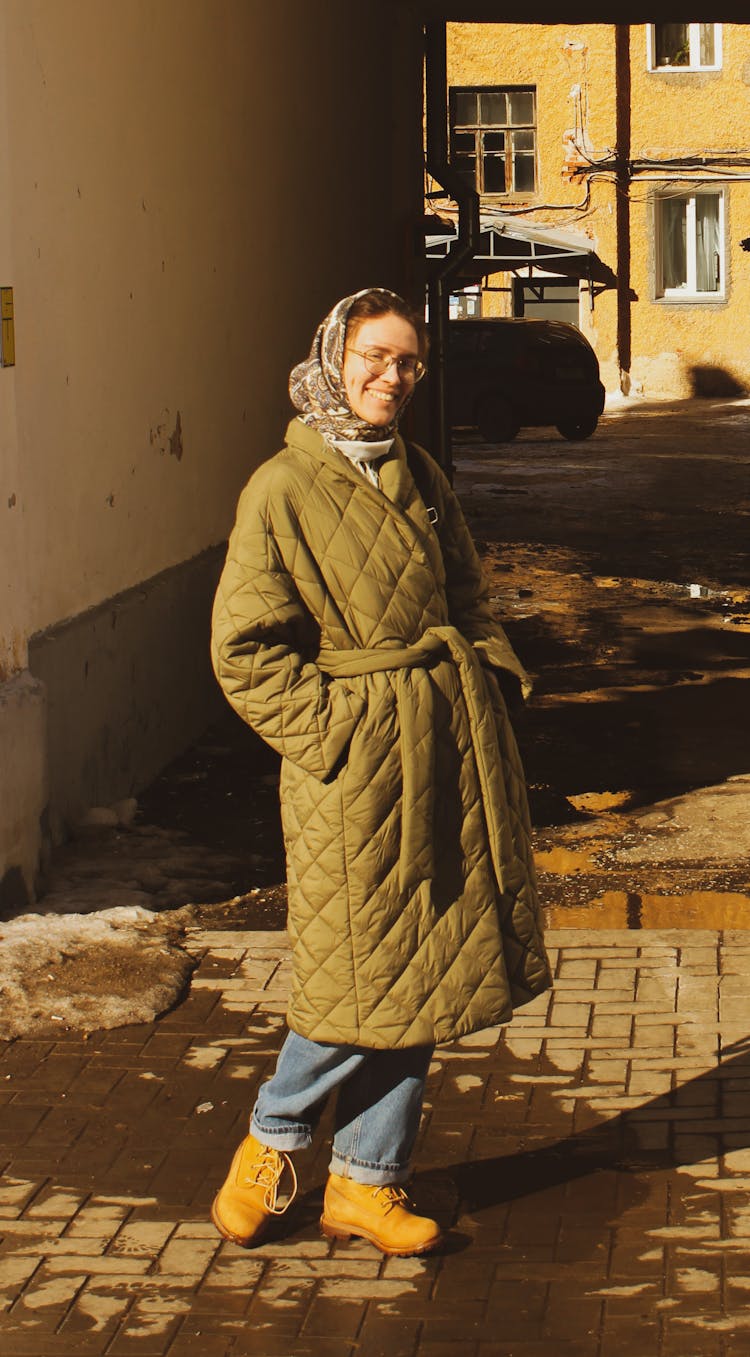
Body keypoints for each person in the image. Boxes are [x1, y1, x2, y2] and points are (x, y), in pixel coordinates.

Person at [209, 287, 550, 1257]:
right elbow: (246, 650)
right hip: (354, 768)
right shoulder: (283, 485)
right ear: (333, 355)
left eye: (409, 363)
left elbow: (468, 593)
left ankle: (367, 1182)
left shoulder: (422, 471)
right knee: (356, 978)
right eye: (375, 355)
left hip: (443, 748)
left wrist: (490, 676)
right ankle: (272, 1139)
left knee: (425, 973)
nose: (390, 378)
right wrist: (337, 730)